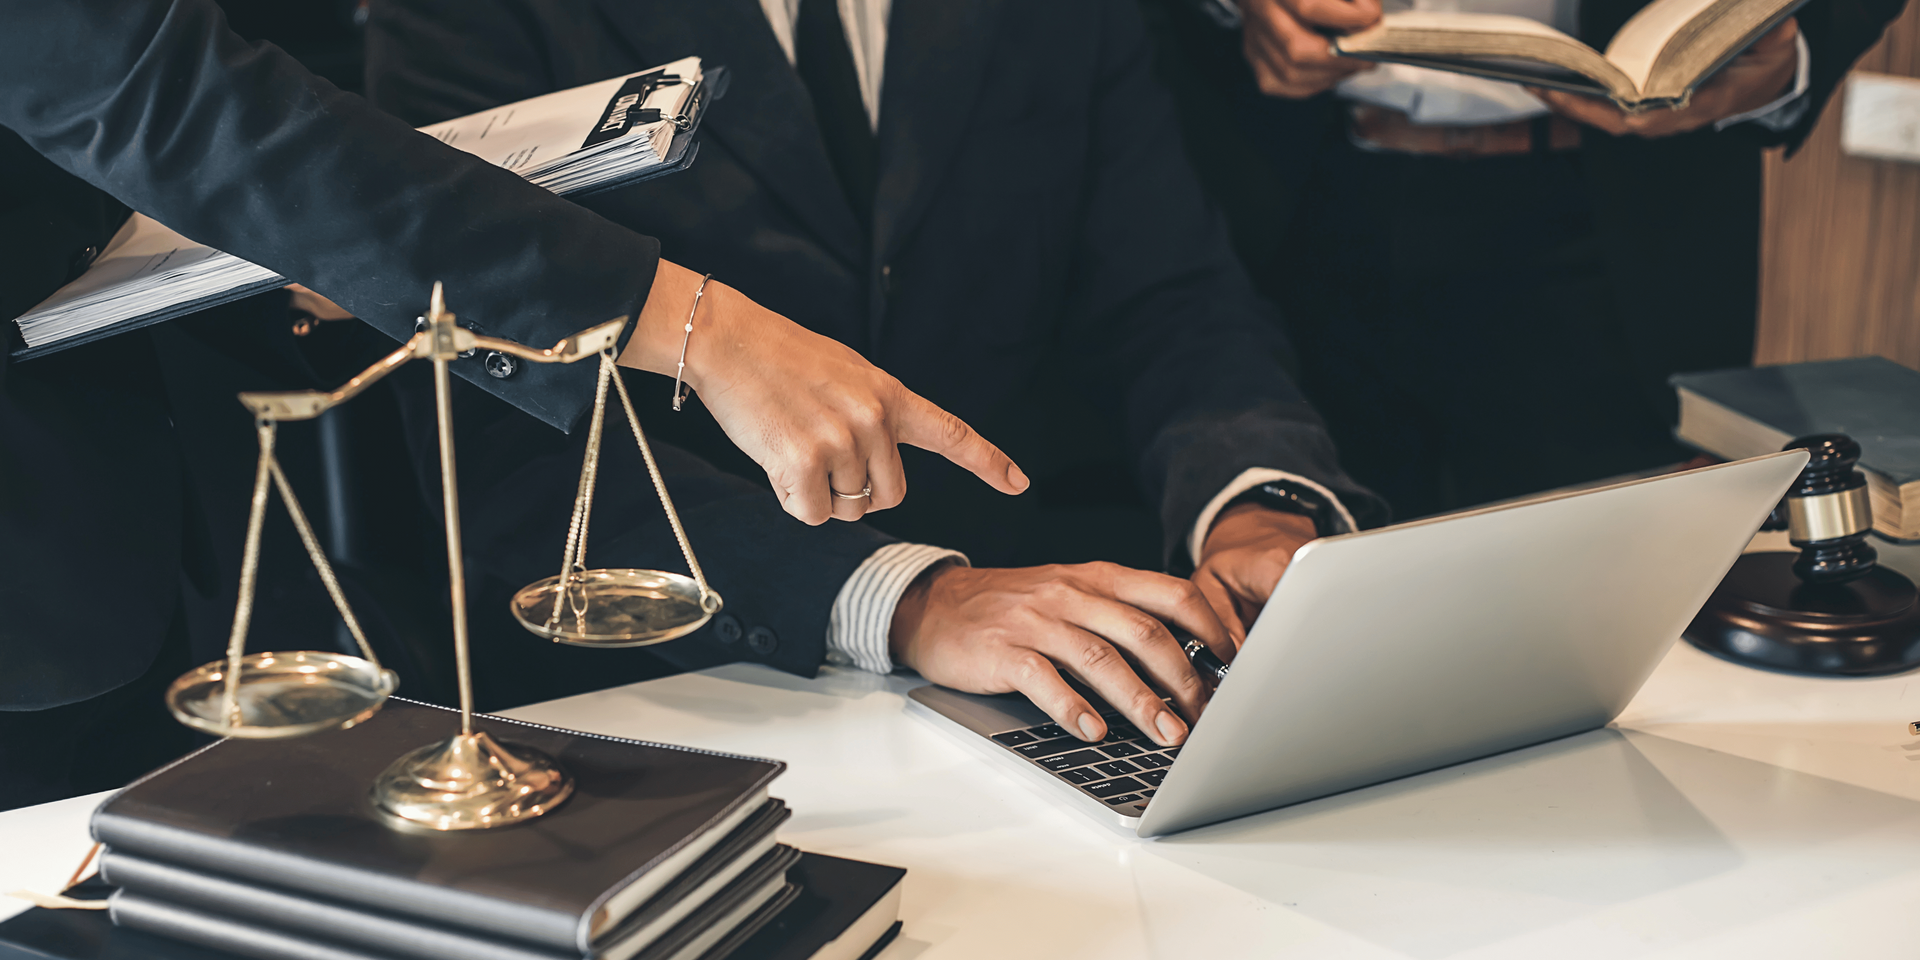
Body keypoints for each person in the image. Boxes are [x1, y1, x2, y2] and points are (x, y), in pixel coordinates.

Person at [0, 0, 1026, 808]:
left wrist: (335, 226)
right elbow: (153, 91)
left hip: (144, 514)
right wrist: (695, 327)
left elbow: (233, 77)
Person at [365, 0, 1391, 746]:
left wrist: (1255, 501)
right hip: (663, 709)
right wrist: (904, 600)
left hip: (1030, 693)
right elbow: (498, 441)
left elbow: (1169, 290)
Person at [1140, 0, 1908, 521]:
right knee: (1301, 606)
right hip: (1287, 193)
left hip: (1611, 217)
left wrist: (1799, 48)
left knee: (1602, 630)